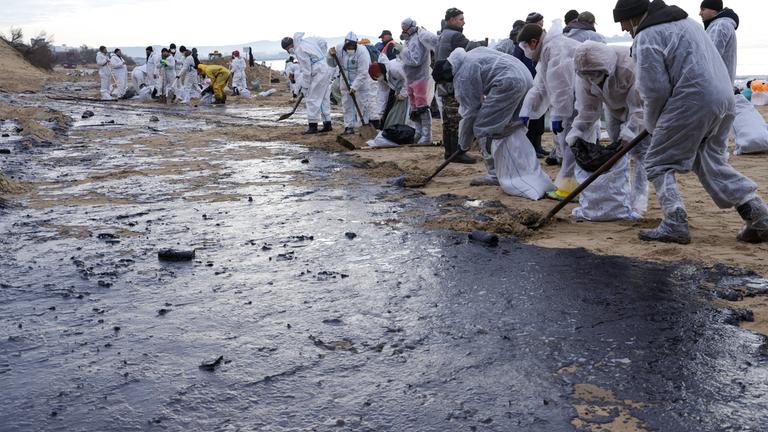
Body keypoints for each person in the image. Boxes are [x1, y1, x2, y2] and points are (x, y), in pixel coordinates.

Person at [613, 0, 768, 244]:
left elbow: (654, 90)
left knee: (657, 161)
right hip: (724, 98)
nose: (623, 29)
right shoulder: (688, 23)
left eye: (622, 21)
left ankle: (675, 222)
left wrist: (654, 125)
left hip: (692, 99)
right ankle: (760, 217)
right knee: (709, 161)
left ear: (633, 16)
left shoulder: (648, 36)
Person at [433, 48, 555, 199]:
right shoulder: (470, 54)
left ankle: (494, 175)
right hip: (525, 77)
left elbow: (470, 112)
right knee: (510, 127)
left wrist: (463, 143)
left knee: (483, 129)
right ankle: (518, 166)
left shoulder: (462, 76)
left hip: (508, 84)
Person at [567, 41, 649, 220]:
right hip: (613, 108)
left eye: (594, 73)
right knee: (617, 151)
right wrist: (577, 130)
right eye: (587, 74)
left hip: (642, 108)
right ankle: (618, 198)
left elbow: (640, 109)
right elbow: (588, 109)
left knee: (642, 154)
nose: (591, 77)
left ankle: (638, 201)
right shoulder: (583, 76)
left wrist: (630, 133)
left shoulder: (629, 66)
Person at [518, 21, 582, 201]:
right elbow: (540, 86)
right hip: (573, 102)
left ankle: (570, 190)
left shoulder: (555, 48)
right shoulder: (547, 50)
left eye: (524, 46)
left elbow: (562, 88)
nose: (525, 50)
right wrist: (527, 110)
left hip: (579, 101)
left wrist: (559, 115)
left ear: (533, 42)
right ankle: (570, 186)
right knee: (568, 143)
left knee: (572, 142)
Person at [436, 8, 487, 165]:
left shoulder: (442, 34)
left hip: (443, 82)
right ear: (451, 20)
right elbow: (470, 48)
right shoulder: (455, 35)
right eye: (460, 19)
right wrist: (483, 44)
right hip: (452, 82)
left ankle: (449, 152)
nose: (463, 22)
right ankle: (457, 153)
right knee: (456, 118)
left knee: (447, 119)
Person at [496, 20, 547, 159]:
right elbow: (516, 65)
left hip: (536, 83)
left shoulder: (541, 48)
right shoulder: (520, 46)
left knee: (538, 118)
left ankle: (537, 146)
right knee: (529, 119)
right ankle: (531, 148)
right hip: (526, 84)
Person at [281, 33, 334, 134]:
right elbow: (322, 41)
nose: (289, 51)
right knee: (323, 98)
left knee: (312, 99)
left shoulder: (299, 49)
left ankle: (312, 126)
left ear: (289, 46)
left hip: (318, 72)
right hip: (325, 67)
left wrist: (305, 88)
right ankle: (327, 124)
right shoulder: (306, 41)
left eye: (288, 49)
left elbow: (306, 71)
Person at [399, 18, 438, 145]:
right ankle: (418, 132)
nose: (403, 31)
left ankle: (426, 135)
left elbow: (416, 60)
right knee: (414, 107)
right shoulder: (409, 40)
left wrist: (402, 51)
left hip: (420, 78)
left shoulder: (417, 39)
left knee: (422, 107)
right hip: (410, 78)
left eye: (405, 29)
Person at [327, 32, 374, 134]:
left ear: (356, 44)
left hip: (362, 83)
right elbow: (332, 64)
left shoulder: (362, 52)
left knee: (362, 104)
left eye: (353, 46)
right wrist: (330, 55)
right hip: (345, 80)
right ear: (345, 44)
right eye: (348, 46)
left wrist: (355, 86)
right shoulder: (339, 49)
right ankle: (349, 127)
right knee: (347, 105)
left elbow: (363, 72)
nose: (350, 48)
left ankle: (363, 126)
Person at [700, 0, 739, 83]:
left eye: (703, 9)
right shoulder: (721, 25)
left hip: (716, 84)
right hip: (723, 84)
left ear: (713, 10)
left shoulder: (720, 26)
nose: (700, 13)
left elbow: (710, 57)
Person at [369, 61, 409, 129]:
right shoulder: (382, 78)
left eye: (378, 76)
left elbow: (408, 78)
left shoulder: (394, 69)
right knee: (391, 110)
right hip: (398, 89)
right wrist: (381, 112)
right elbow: (383, 93)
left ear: (380, 72)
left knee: (407, 113)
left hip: (414, 84)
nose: (378, 78)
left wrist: (403, 94)